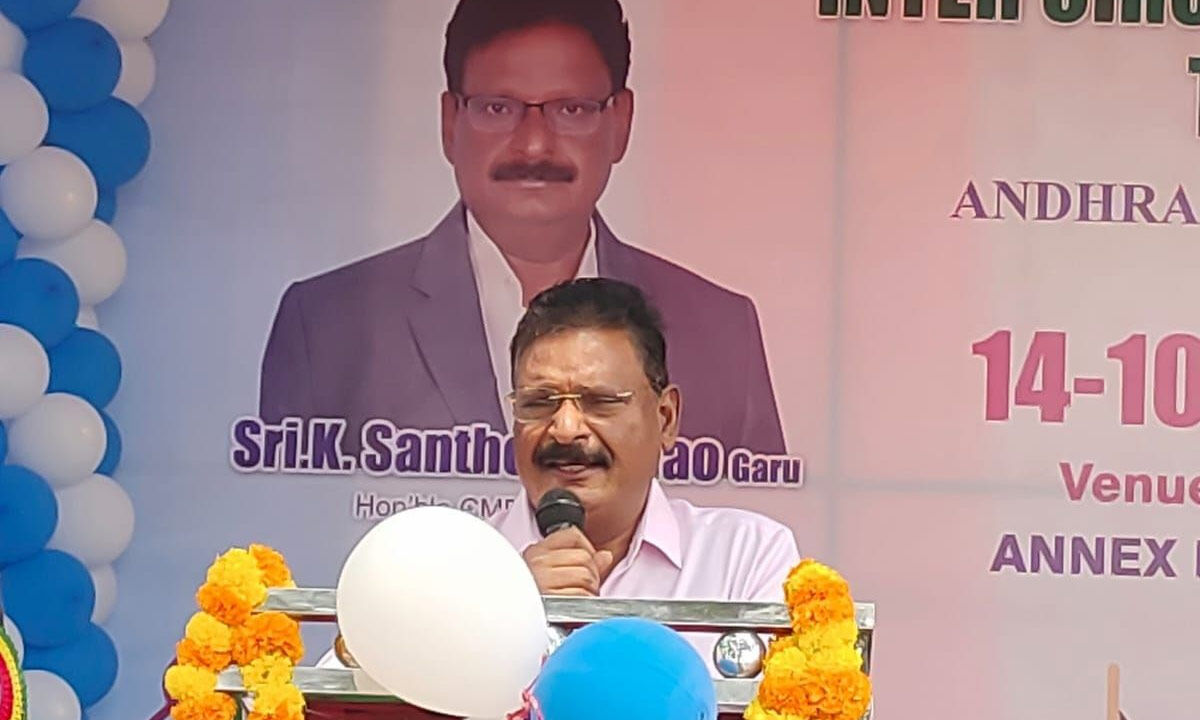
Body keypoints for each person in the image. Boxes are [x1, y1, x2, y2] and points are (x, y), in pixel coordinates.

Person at [259, 0, 787, 457]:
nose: (534, 144)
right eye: (498, 107)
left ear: (621, 121)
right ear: (450, 122)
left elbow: (759, 533)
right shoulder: (325, 327)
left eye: (571, 108)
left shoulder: (722, 333)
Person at [315, 280, 800, 683]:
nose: (565, 429)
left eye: (600, 401)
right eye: (539, 403)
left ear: (666, 418)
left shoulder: (743, 556)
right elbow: (328, 701)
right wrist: (500, 608)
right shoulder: (438, 565)